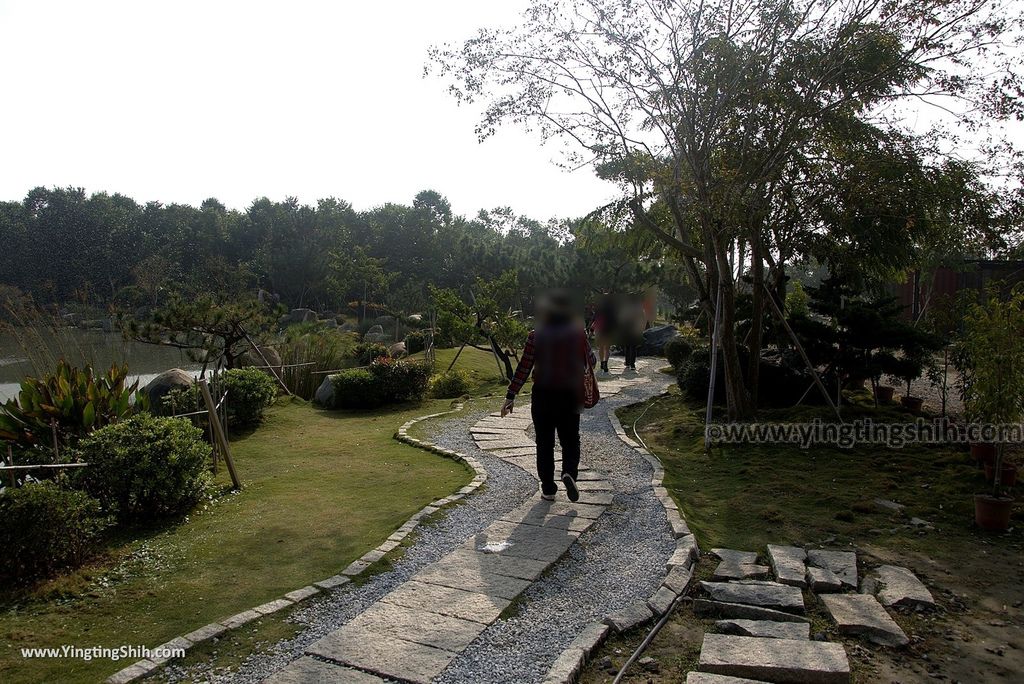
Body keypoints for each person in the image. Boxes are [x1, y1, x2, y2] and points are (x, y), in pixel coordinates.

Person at [501, 291, 596, 502]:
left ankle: (548, 489)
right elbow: (592, 361)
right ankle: (569, 472)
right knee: (571, 439)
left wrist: (511, 395)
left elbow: (524, 367)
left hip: (543, 394)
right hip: (571, 394)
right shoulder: (577, 334)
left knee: (544, 443)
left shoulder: (536, 336)